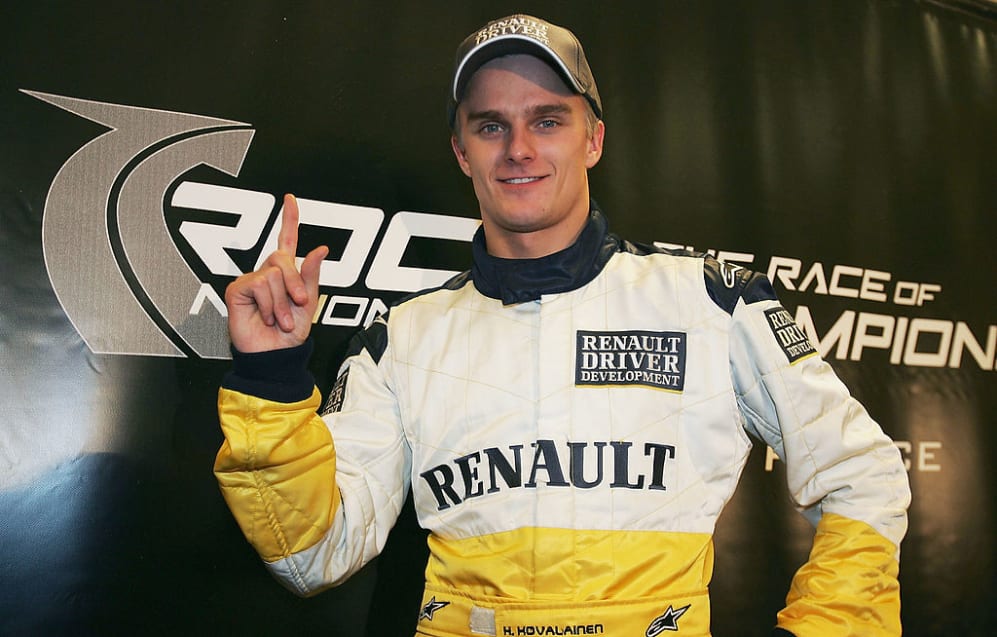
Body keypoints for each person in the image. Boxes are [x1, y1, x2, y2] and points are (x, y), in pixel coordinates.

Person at [215, 14, 910, 637]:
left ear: (594, 139)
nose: (518, 147)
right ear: (461, 151)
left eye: (547, 119)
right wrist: (271, 377)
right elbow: (311, 553)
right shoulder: (404, 339)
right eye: (490, 125)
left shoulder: (709, 304)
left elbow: (864, 473)